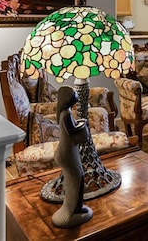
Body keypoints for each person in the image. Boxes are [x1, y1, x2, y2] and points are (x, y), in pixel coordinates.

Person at [51, 86, 93, 228]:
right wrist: (83, 124)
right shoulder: (66, 115)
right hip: (67, 152)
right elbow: (72, 132)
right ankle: (74, 209)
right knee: (78, 177)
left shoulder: (64, 112)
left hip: (66, 150)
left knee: (74, 177)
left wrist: (80, 122)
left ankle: (72, 206)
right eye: (73, 96)